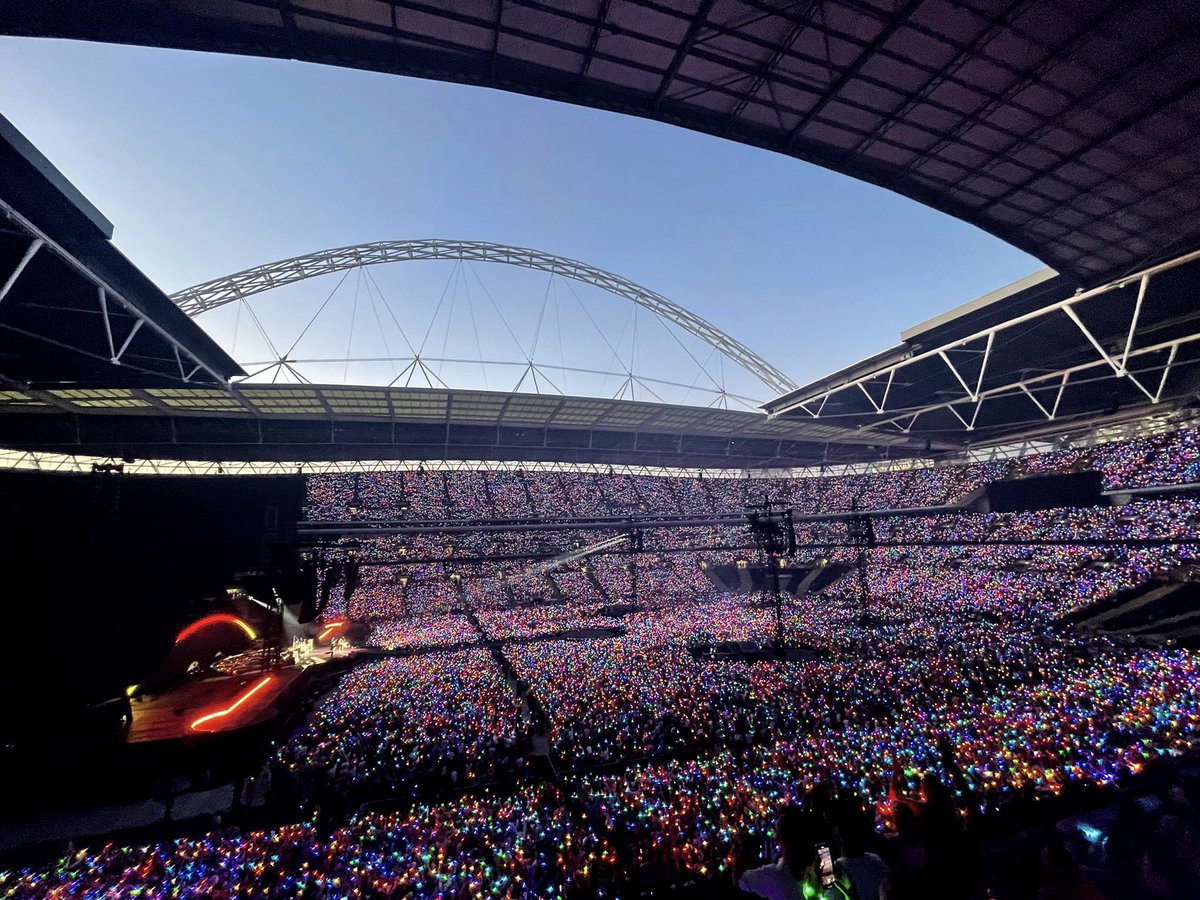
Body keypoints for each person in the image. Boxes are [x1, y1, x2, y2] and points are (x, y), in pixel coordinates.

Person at [740, 806, 852, 900]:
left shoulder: (775, 874)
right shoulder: (825, 859)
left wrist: (744, 848)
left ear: (780, 838)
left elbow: (740, 880)